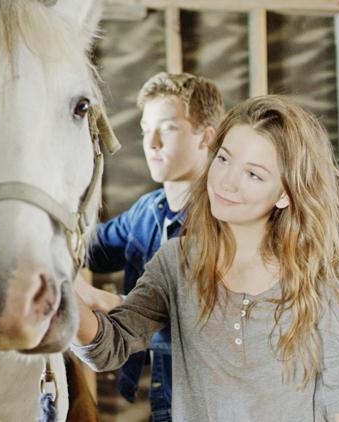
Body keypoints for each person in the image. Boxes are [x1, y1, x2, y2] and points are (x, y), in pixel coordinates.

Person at [73, 95, 339, 421]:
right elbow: (109, 347)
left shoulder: (322, 280)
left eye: (253, 174)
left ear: (285, 194)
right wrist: (61, 296)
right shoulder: (176, 263)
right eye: (224, 159)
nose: (226, 181)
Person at [75, 72, 224, 420]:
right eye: (145, 129)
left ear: (206, 137)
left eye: (168, 128)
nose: (151, 142)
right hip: (166, 401)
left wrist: (110, 303)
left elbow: (208, 326)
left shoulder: (225, 221)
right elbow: (88, 250)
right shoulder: (147, 211)